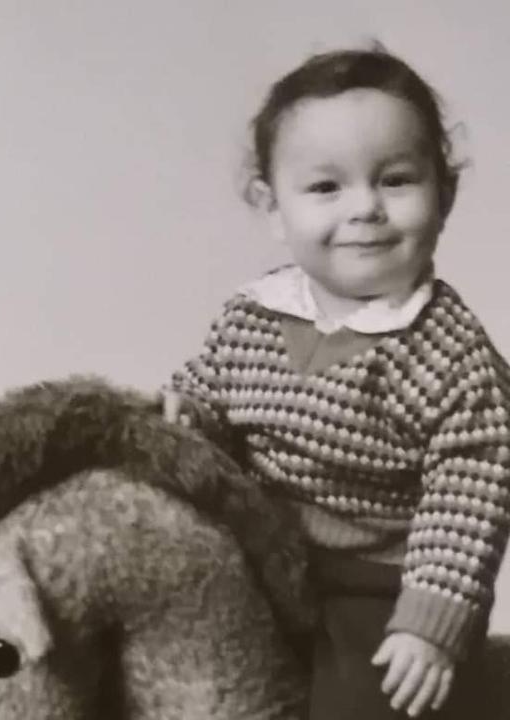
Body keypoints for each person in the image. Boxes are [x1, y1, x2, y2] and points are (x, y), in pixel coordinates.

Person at [163, 46, 510, 720]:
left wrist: (431, 622)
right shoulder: (254, 314)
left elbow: (469, 500)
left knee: (370, 701)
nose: (366, 208)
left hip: (381, 582)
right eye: (326, 188)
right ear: (273, 207)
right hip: (261, 550)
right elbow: (207, 395)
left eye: (396, 180)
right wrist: (185, 419)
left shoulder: (453, 356)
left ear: (444, 195)